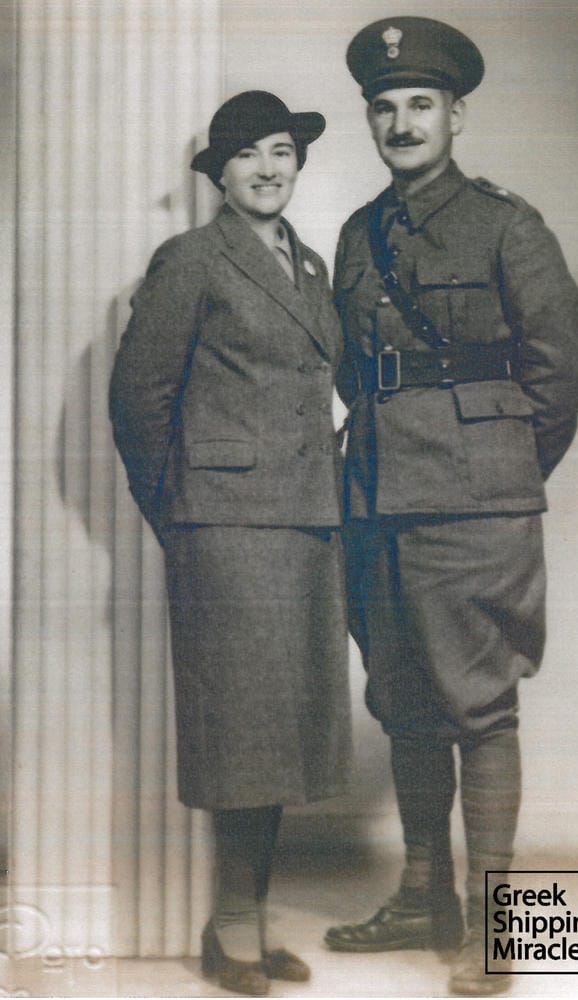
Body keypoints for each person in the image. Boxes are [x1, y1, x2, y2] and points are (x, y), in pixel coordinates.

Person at [323, 16, 578, 996]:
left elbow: (563, 373)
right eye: (385, 108)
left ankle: (493, 923)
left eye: (420, 105)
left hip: (475, 509)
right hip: (376, 501)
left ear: (456, 115)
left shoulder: (504, 225)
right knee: (402, 699)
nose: (401, 123)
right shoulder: (357, 234)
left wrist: (497, 467)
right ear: (370, 120)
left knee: (477, 707)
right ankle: (420, 895)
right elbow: (355, 375)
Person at [109, 90, 351, 998]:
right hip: (228, 529)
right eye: (247, 154)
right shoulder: (192, 259)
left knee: (280, 733)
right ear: (220, 173)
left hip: (306, 524)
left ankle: (237, 919)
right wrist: (181, 515)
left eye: (281, 151)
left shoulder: (309, 264)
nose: (267, 169)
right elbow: (138, 400)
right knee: (241, 733)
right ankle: (234, 930)